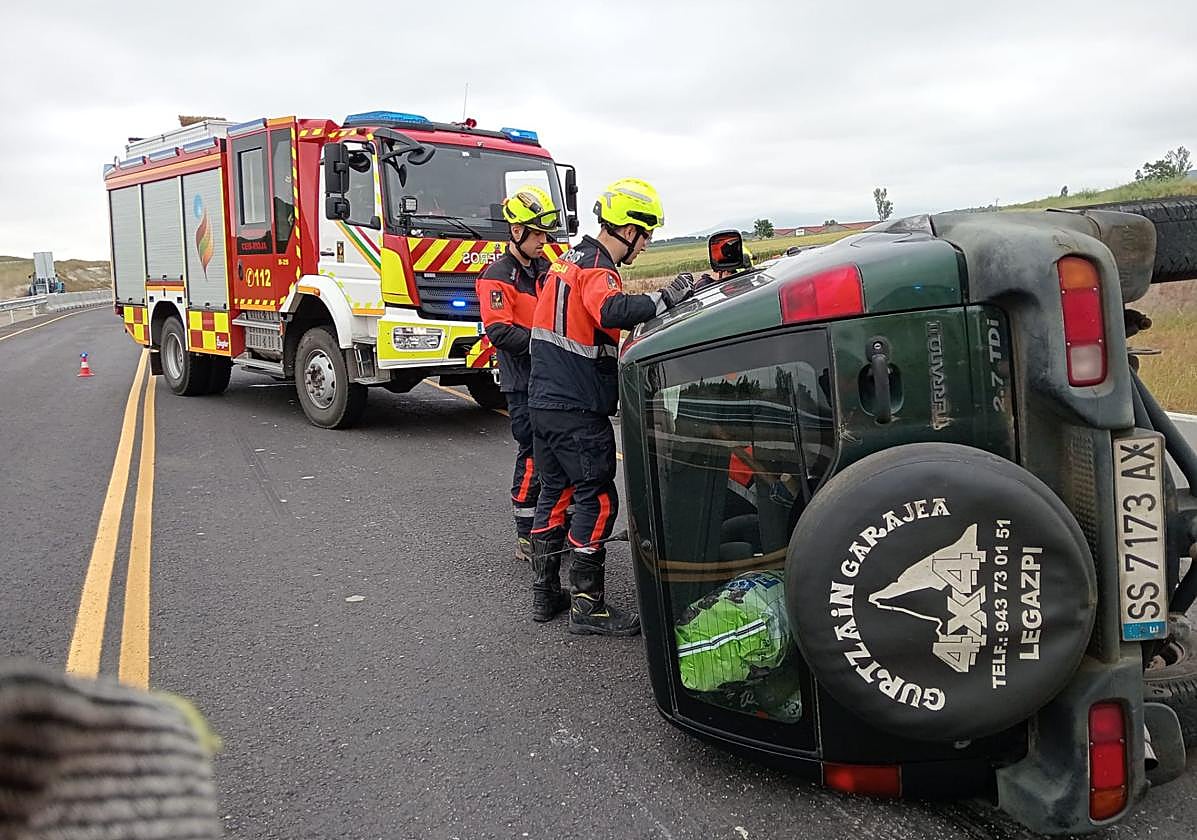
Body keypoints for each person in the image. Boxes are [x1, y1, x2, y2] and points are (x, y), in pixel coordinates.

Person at [527, 177, 695, 633]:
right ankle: (588, 607)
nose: (647, 244)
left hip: (544, 402)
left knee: (555, 494)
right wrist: (668, 297)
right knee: (597, 499)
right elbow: (611, 311)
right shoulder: (599, 269)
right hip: (578, 407)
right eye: (647, 234)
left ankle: (546, 595)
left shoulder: (567, 260)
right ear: (628, 228)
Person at [475, 186, 560, 561]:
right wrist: (546, 343)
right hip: (522, 382)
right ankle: (526, 533)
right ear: (516, 232)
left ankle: (558, 524)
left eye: (546, 234)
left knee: (559, 452)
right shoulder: (497, 276)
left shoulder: (548, 267)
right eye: (537, 234)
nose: (544, 241)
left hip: (554, 378)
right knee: (532, 454)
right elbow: (499, 331)